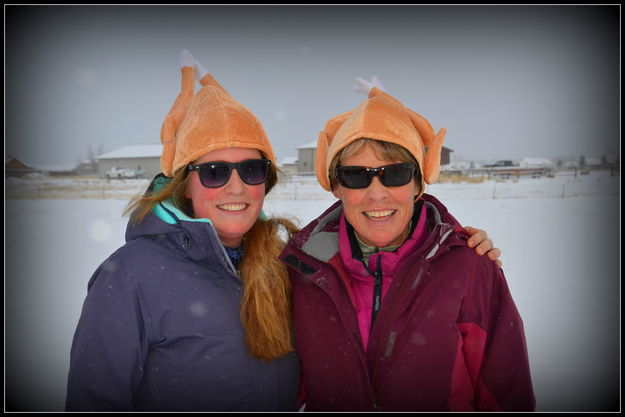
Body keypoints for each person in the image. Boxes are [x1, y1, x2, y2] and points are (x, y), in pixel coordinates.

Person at [66, 51, 501, 411]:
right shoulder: (130, 276)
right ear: (186, 182)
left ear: (266, 181)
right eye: (215, 171)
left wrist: (453, 245)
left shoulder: (288, 266)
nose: (235, 186)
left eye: (252, 169)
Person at [279, 78, 535, 411]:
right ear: (337, 187)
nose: (376, 192)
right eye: (356, 175)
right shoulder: (300, 272)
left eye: (395, 173)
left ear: (418, 183)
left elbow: (506, 395)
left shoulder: (471, 269)